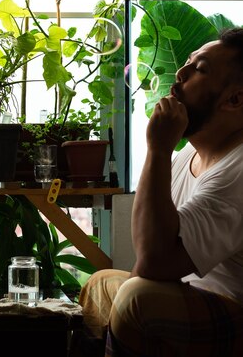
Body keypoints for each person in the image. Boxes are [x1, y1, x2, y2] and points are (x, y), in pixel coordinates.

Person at [75, 27, 243, 356]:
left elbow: (154, 262)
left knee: (137, 298)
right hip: (191, 299)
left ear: (235, 99)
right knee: (102, 284)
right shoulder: (188, 157)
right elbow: (147, 262)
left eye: (200, 69)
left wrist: (158, 148)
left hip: (234, 313)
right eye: (188, 62)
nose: (180, 73)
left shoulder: (238, 169)